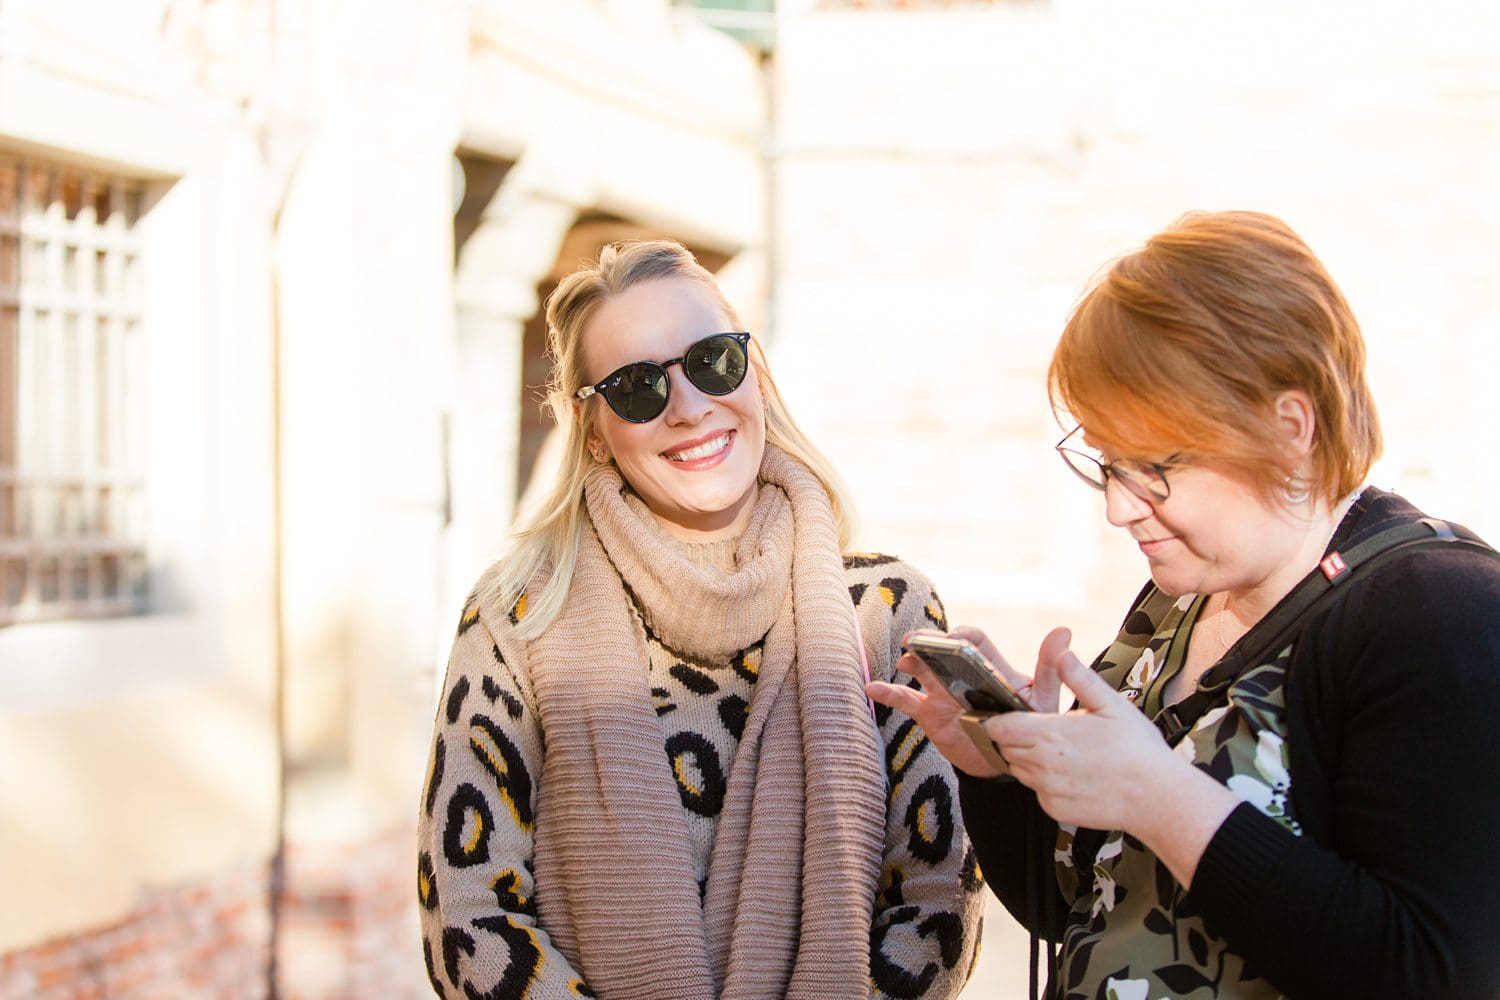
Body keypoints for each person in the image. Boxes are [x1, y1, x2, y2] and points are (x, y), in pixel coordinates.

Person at [870, 211, 1500, 1000]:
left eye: (1153, 466)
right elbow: (1088, 910)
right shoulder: (1176, 604)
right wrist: (999, 772)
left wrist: (1161, 797)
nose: (1120, 509)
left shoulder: (1438, 612)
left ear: (1289, 427)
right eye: (1107, 463)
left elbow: (1439, 971)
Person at [417, 240, 985, 1000]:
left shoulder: (886, 609)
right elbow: (470, 914)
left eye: (713, 361)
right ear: (592, 430)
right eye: (637, 387)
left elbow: (939, 895)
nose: (688, 408)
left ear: (757, 373)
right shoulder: (516, 616)